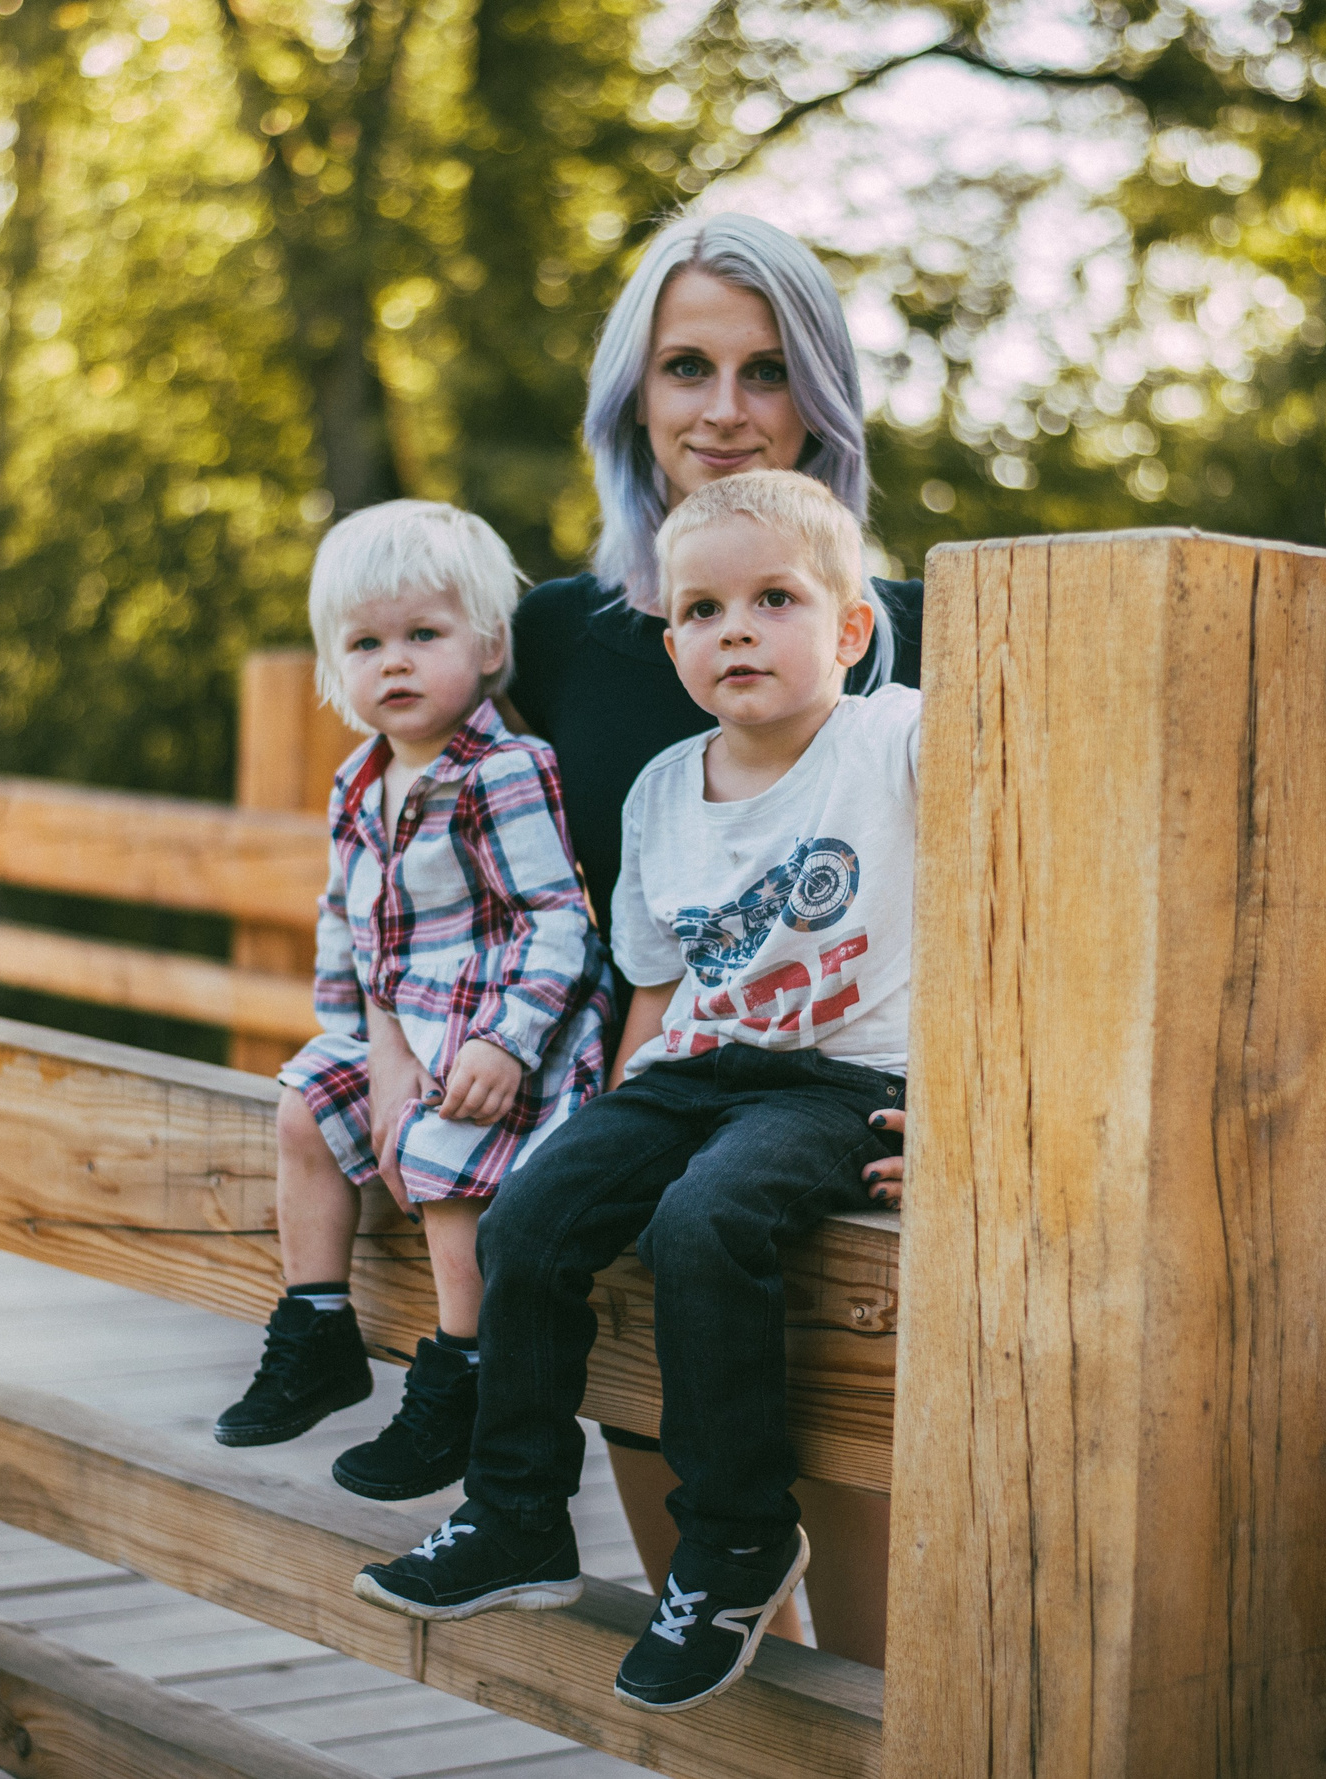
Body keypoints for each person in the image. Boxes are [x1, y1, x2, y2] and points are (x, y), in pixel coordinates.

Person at [353, 470, 918, 1715]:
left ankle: (735, 1540)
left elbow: (1025, 899)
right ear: (672, 646)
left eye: (774, 601)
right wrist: (604, 1137)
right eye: (702, 610)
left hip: (842, 1082)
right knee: (531, 1216)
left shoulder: (898, 742)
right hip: (693, 1073)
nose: (735, 632)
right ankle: (515, 1515)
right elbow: (655, 994)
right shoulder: (663, 789)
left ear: (850, 628)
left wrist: (974, 1125)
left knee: (702, 1223)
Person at [508, 208, 913, 1666]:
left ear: (821, 398)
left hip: (838, 1160)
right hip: (632, 1131)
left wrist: (986, 1118)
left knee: (864, 1657)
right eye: (688, 366)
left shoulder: (909, 638)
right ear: (634, 393)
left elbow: (1036, 914)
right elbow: (451, 856)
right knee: (709, 1629)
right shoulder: (556, 637)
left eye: (767, 369)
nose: (726, 409)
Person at [211, 500, 609, 1504]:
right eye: (365, 644)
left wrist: (508, 1042)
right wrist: (349, 1036)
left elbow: (558, 920)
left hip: (500, 1041)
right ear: (333, 665)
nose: (394, 662)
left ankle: (464, 1369)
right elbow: (345, 913)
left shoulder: (503, 772)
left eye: (423, 635)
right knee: (305, 1102)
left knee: (443, 1155)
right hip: (405, 1032)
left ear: (488, 647)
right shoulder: (359, 781)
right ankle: (316, 1327)